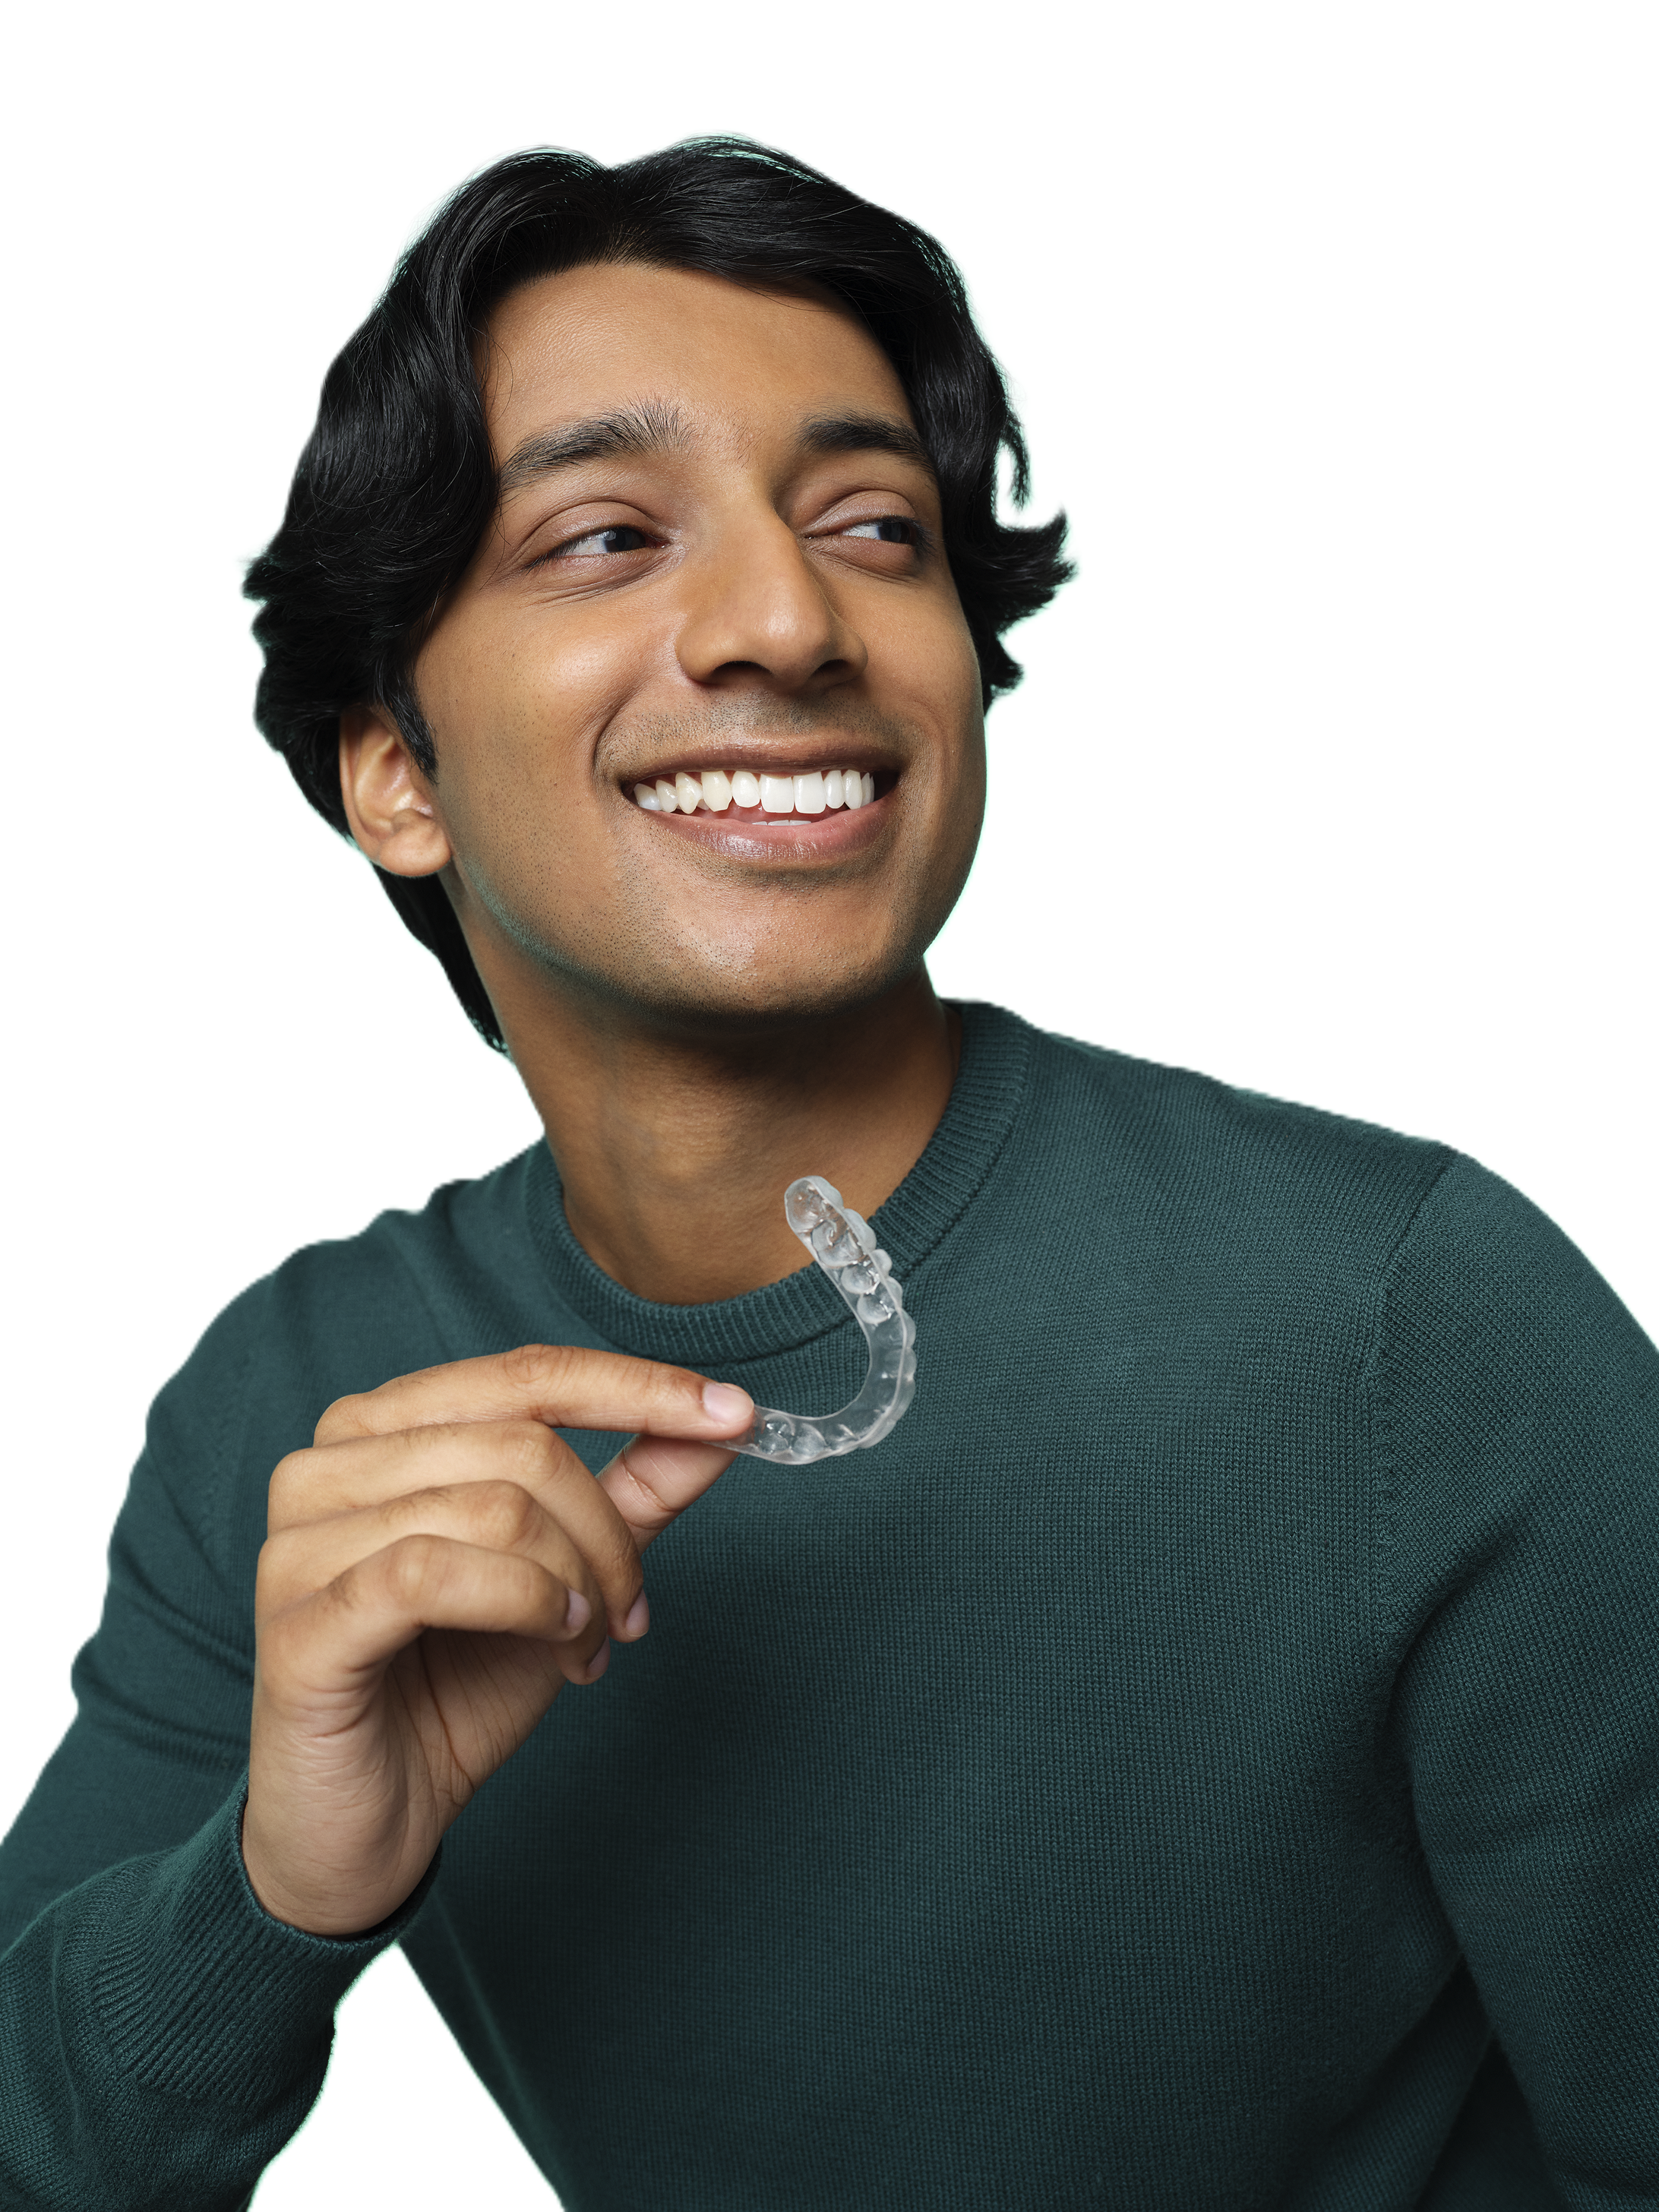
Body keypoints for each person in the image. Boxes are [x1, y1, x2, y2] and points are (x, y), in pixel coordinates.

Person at [1, 136, 1654, 2212]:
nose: (790, 618)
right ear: (394, 773)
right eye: (606, 536)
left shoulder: (1411, 1317)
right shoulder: (297, 1411)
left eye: (875, 526)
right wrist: (274, 1894)